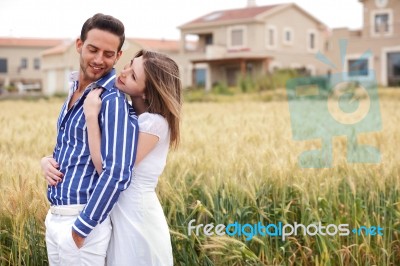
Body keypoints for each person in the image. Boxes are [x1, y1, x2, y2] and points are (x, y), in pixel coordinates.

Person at [40, 13, 139, 265]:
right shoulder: (76, 90)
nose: (98, 60)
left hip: (81, 222)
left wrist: (82, 228)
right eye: (93, 49)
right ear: (79, 45)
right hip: (56, 218)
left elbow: (117, 171)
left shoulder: (111, 100)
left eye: (108, 54)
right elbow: (73, 145)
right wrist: (47, 161)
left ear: (118, 56)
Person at [83, 49, 182, 265]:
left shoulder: (154, 124)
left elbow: (108, 169)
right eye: (129, 65)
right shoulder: (127, 114)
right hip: (118, 216)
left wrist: (91, 117)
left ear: (147, 92)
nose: (124, 72)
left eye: (134, 75)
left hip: (137, 221)